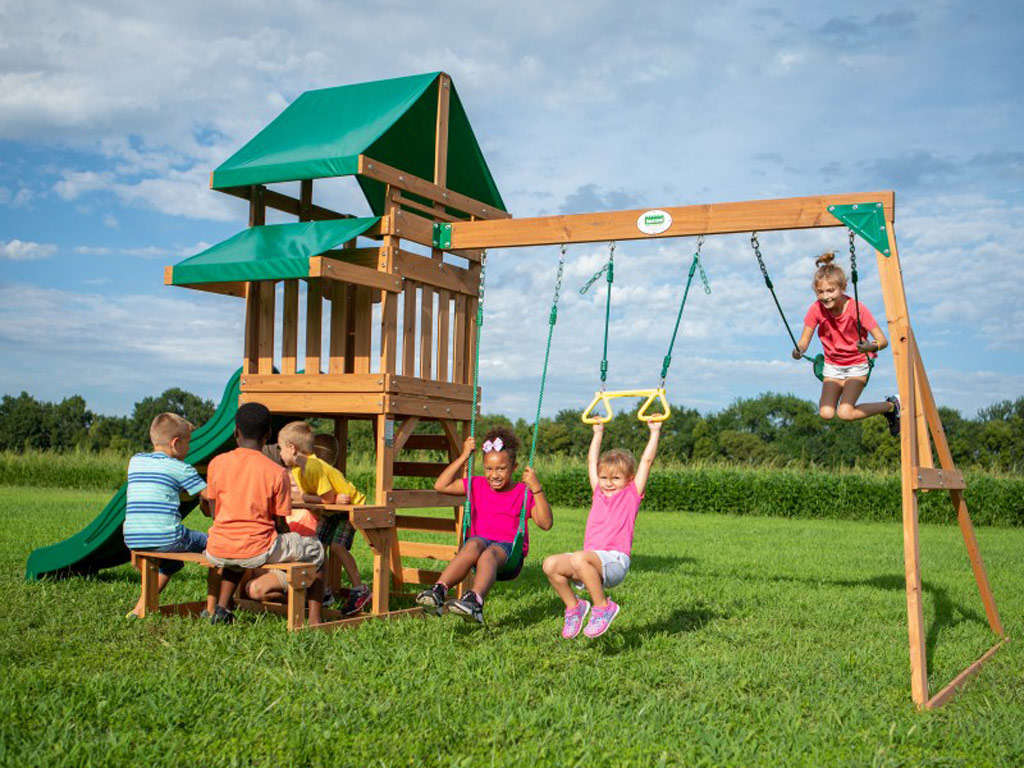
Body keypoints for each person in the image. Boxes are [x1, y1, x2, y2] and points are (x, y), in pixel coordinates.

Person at [201, 402, 325, 625]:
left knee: (237, 553)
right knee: (316, 550)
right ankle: (315, 619)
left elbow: (213, 512)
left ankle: (222, 608)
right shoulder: (277, 472)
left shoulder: (216, 463)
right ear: (268, 435)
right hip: (256, 549)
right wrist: (289, 541)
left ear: (236, 432)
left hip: (217, 547)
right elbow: (280, 524)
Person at [415, 426, 553, 623]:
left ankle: (475, 602)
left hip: (508, 551)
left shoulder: (523, 492)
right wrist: (464, 456)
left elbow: (546, 523)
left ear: (514, 467)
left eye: (501, 469)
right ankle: (439, 590)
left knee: (489, 554)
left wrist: (536, 488)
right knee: (472, 544)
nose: (494, 475)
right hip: (480, 542)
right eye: (489, 468)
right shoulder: (477, 484)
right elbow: (441, 485)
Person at [542, 420, 661, 639]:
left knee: (579, 558)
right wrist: (597, 432)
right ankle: (574, 608)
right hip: (590, 562)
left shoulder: (631, 494)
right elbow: (591, 461)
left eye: (616, 478)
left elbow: (647, 461)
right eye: (604, 477)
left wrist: (654, 431)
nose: (608, 483)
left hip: (615, 561)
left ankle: (603, 607)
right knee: (550, 565)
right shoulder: (598, 492)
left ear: (629, 480)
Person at [792, 251, 901, 435]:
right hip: (833, 366)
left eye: (830, 291)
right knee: (826, 413)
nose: (825, 296)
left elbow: (883, 341)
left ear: (842, 288)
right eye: (820, 292)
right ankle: (845, 391)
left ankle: (891, 406)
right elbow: (803, 342)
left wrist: (870, 346)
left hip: (857, 365)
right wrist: (798, 351)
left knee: (845, 412)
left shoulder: (857, 309)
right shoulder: (816, 309)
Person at [276, 422, 372, 616]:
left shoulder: (313, 466)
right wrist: (320, 499)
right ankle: (324, 590)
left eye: (280, 448)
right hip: (331, 510)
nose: (279, 453)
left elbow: (326, 499)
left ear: (292, 448)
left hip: (349, 509)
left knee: (337, 547)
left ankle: (360, 589)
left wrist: (329, 499)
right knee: (318, 546)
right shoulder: (298, 469)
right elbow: (308, 496)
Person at [123, 413, 209, 618]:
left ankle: (141, 608)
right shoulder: (181, 468)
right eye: (188, 443)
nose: (189, 448)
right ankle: (216, 606)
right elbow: (210, 495)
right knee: (215, 542)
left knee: (172, 565)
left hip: (133, 538)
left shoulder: (136, 461)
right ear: (176, 443)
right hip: (167, 537)